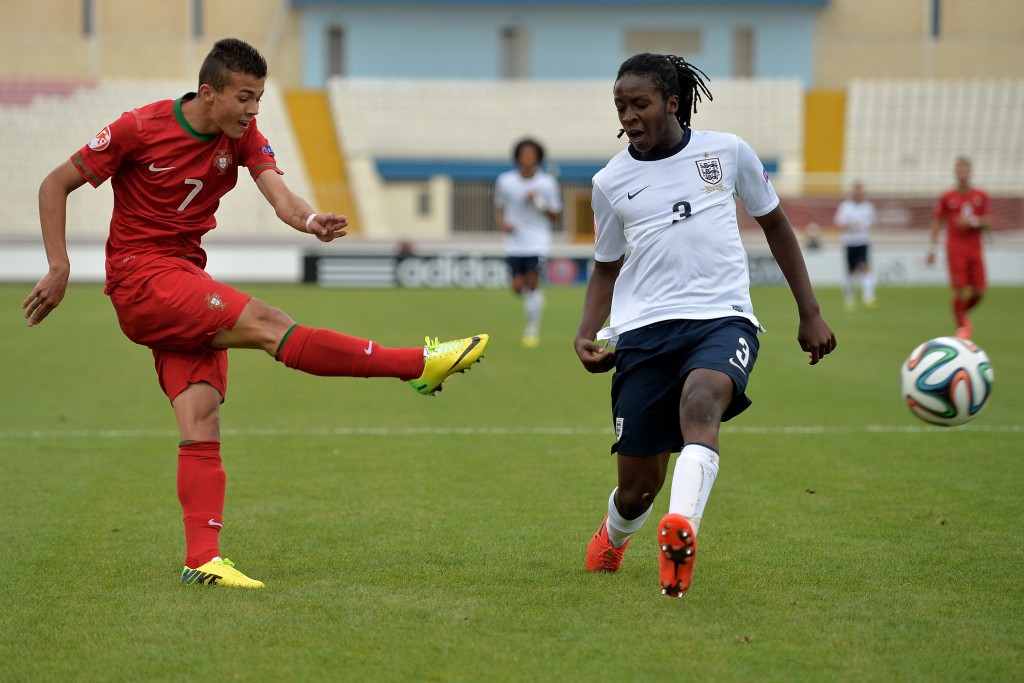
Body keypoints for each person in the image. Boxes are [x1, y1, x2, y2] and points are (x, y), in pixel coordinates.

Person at [21, 38, 489, 589]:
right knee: (270, 324)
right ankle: (416, 364)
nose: (253, 110)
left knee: (201, 416)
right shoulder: (138, 128)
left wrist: (310, 220)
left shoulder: (243, 137)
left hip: (183, 277)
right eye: (244, 97)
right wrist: (59, 265)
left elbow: (281, 197)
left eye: (260, 99)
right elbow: (56, 182)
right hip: (142, 279)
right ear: (208, 92)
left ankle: (204, 558)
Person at [574, 53, 836, 598]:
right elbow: (605, 265)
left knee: (701, 402)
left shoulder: (727, 151)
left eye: (639, 103)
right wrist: (586, 331)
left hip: (722, 319)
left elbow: (777, 225)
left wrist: (808, 312)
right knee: (637, 489)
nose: (628, 115)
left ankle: (682, 533)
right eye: (620, 105)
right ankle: (615, 535)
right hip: (642, 332)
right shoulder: (609, 181)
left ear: (671, 101)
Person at [493, 137, 562, 347]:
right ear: (517, 156)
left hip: (537, 242)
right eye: (524, 153)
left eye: (532, 154)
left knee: (532, 284)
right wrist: (503, 224)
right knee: (517, 287)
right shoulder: (505, 181)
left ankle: (531, 330)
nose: (528, 157)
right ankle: (536, 300)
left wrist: (538, 202)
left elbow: (555, 214)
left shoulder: (547, 183)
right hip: (515, 242)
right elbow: (498, 206)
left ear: (538, 157)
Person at [927, 156, 991, 340]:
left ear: (970, 172)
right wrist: (932, 248)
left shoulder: (981, 195)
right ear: (955, 172)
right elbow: (937, 221)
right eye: (959, 170)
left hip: (975, 249)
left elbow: (988, 222)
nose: (962, 173)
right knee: (960, 289)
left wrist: (972, 221)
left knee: (980, 291)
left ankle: (961, 314)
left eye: (965, 169)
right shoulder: (947, 197)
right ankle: (962, 325)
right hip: (955, 248)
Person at [833, 181, 878, 311]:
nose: (859, 194)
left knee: (866, 267)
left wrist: (862, 225)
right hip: (849, 242)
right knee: (850, 271)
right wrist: (850, 225)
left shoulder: (868, 207)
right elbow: (839, 222)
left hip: (862, 242)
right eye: (857, 192)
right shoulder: (845, 206)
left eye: (861, 192)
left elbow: (873, 222)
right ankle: (849, 299)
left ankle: (868, 298)